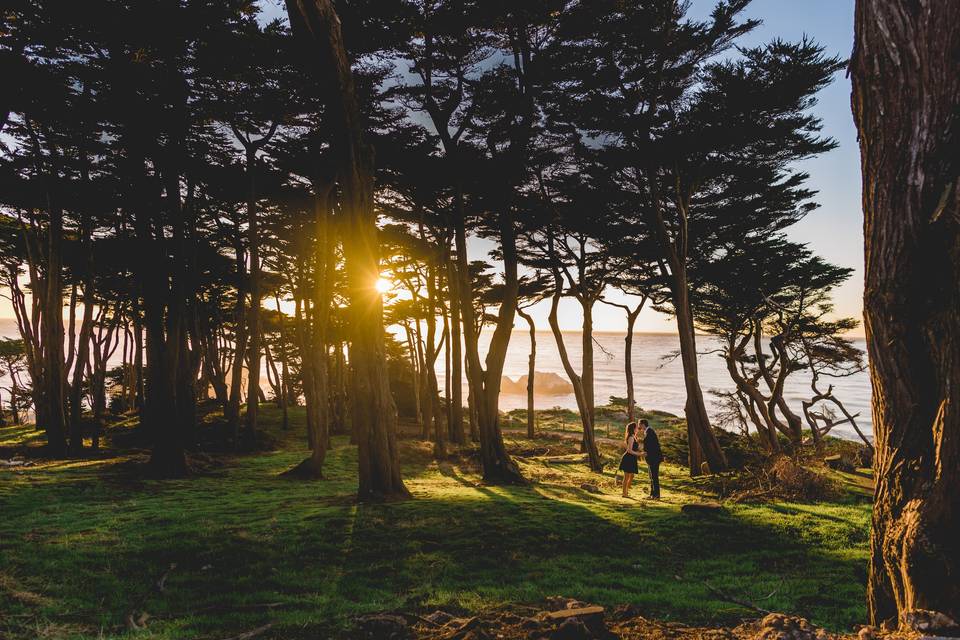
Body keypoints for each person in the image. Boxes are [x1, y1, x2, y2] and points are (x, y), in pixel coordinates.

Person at [618, 422, 642, 498]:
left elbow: (635, 448)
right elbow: (629, 450)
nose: (637, 429)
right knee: (627, 476)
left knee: (631, 476)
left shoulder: (634, 437)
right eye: (636, 428)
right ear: (633, 429)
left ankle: (626, 491)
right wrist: (639, 454)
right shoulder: (631, 438)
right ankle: (624, 493)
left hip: (632, 458)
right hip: (628, 458)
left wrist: (641, 451)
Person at [640, 419, 663, 499]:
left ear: (643, 424)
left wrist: (646, 453)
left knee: (654, 477)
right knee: (651, 477)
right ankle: (652, 494)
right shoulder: (648, 431)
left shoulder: (649, 432)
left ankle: (656, 495)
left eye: (639, 424)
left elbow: (651, 446)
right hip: (652, 458)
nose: (639, 426)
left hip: (654, 458)